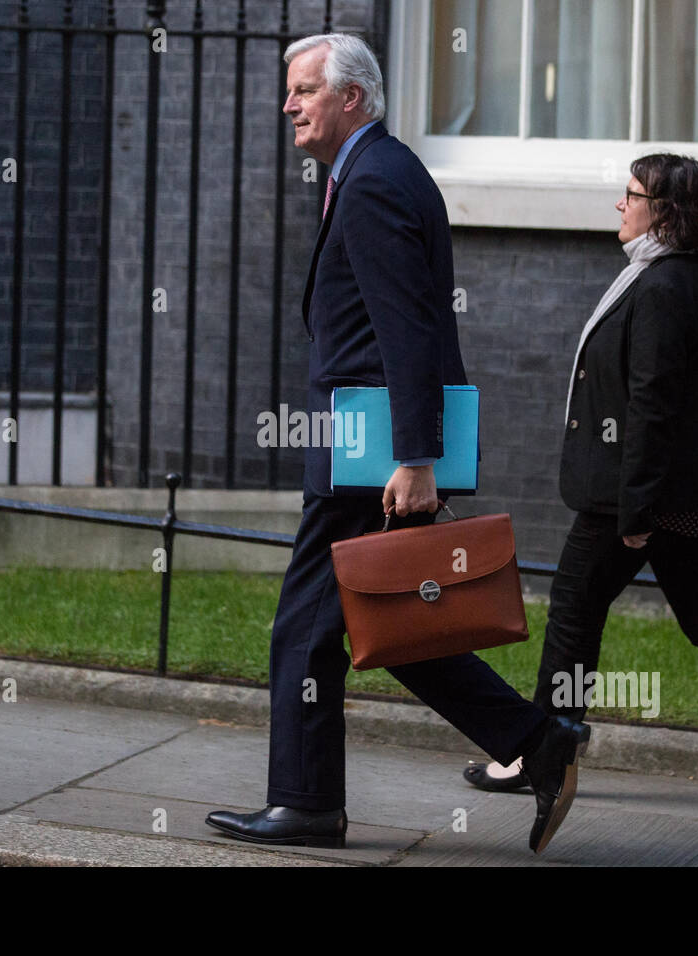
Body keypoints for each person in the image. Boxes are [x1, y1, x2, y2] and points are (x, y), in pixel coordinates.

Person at [204, 33, 589, 854]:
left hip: (371, 459)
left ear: (353, 98)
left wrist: (415, 458)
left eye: (305, 90)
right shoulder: (380, 170)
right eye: (290, 92)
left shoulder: (375, 182)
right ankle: (538, 739)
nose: (290, 105)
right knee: (394, 624)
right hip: (373, 450)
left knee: (303, 633)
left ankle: (306, 805)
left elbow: (407, 329)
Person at [461, 155, 698, 820]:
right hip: (679, 494)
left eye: (631, 195)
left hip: (638, 496)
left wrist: (636, 510)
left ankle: (542, 751)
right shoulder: (691, 278)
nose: (620, 205)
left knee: (575, 608)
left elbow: (653, 405)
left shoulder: (662, 287)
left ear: (665, 211)